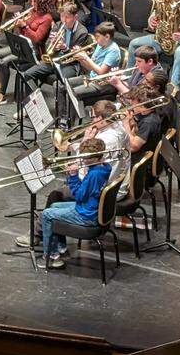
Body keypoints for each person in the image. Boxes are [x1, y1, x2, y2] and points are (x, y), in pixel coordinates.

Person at [25, 138, 113, 270]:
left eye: (86, 158)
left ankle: (52, 257)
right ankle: (60, 247)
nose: (83, 160)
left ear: (96, 158)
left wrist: (73, 176)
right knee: (54, 206)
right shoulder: (104, 166)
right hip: (91, 208)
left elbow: (79, 196)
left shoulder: (94, 175)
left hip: (86, 215)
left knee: (46, 215)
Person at [0, 0, 55, 96]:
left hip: (34, 50)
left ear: (41, 2)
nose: (31, 3)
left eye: (34, 1)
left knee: (5, 62)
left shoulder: (47, 18)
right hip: (22, 44)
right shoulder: (32, 11)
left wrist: (25, 26)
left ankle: (0, 93)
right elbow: (22, 33)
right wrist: (18, 24)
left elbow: (37, 39)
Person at [67, 22, 125, 110]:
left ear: (107, 37)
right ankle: (63, 114)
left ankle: (70, 117)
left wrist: (86, 57)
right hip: (91, 77)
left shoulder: (113, 51)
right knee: (62, 85)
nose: (95, 39)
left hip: (104, 83)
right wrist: (80, 58)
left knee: (72, 93)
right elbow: (90, 68)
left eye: (97, 36)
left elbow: (101, 72)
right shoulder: (100, 45)